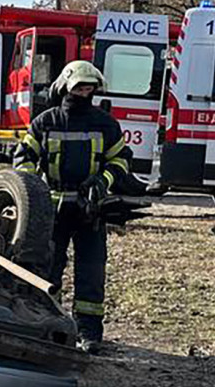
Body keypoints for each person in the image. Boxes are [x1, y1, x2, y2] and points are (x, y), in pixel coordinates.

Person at [13, 60, 129, 354]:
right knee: (48, 268)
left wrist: (102, 181)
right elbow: (23, 158)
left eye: (89, 87)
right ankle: (48, 324)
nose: (85, 91)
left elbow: (120, 160)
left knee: (91, 271)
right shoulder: (46, 121)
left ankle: (89, 332)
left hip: (90, 208)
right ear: (65, 86)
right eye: (79, 86)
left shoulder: (105, 123)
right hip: (52, 209)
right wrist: (35, 192)